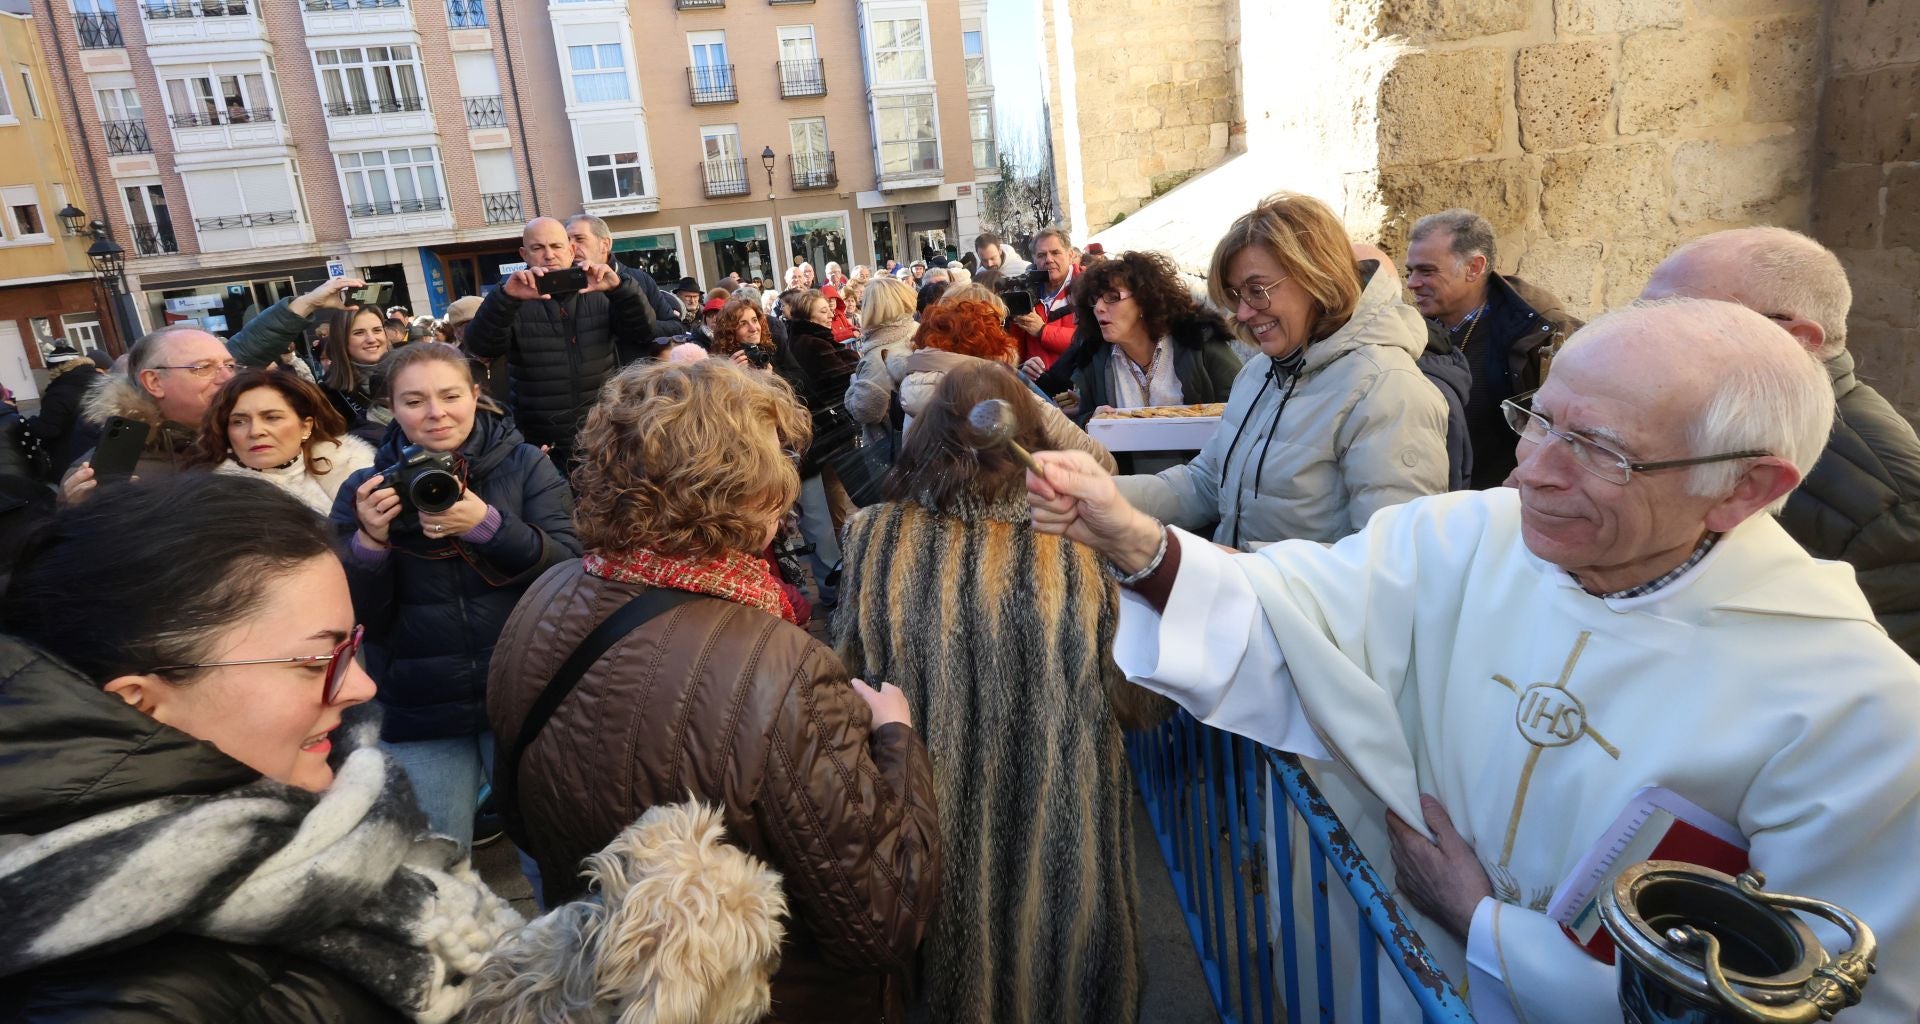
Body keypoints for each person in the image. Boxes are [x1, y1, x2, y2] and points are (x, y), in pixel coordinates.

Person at [1027, 297, 1920, 1024]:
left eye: (1599, 449)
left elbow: (1820, 997)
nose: (1533, 470)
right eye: (1537, 421)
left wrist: (1484, 927)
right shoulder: (1466, 535)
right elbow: (1296, 611)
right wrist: (1142, 546)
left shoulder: (1855, 711)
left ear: (1748, 487)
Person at [487, 358, 940, 1022]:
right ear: (745, 490)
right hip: (761, 1000)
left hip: (611, 988)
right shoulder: (783, 669)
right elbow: (883, 920)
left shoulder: (547, 596)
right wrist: (897, 740)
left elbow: (520, 815)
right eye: (775, 460)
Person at [0, 474, 521, 1022]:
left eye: (351, 648)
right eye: (314, 662)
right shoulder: (127, 1002)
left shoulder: (331, 801)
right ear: (140, 703)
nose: (362, 687)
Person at [836, 362, 1161, 1024]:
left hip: (929, 826)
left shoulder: (875, 535)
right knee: (1065, 981)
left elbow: (851, 683)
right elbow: (1135, 701)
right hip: (1061, 833)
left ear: (927, 435)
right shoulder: (1084, 538)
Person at [330, 343, 580, 847]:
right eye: (415, 400)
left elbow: (571, 570)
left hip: (519, 688)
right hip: (419, 703)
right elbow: (354, 617)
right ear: (392, 407)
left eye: (449, 395)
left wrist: (487, 525)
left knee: (549, 847)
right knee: (438, 855)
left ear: (475, 395)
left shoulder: (526, 465)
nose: (436, 412)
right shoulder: (365, 487)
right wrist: (369, 544)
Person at [1641, 228, 1920, 660]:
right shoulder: (1707, 413)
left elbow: (1873, 683)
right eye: (1643, 313)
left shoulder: (1889, 501)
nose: (1644, 336)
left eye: (1686, 319)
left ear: (1797, 338)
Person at [1112, 192, 1450, 549]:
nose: (1243, 313)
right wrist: (1098, 493)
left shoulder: (1388, 389)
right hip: (1246, 597)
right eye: (1237, 295)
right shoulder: (1260, 373)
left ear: (1316, 277)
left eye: (1257, 290)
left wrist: (1234, 566)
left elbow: (1390, 560)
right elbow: (1208, 483)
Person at [1405, 209, 1583, 489]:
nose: (1412, 283)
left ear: (1474, 267)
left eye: (1427, 271)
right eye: (1410, 271)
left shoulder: (1541, 334)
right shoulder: (1411, 330)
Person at [462, 216, 656, 468]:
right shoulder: (511, 293)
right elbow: (481, 347)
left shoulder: (600, 287)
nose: (549, 255)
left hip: (602, 430)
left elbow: (643, 333)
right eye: (538, 248)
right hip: (540, 439)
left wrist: (621, 290)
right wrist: (505, 299)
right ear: (524, 253)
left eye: (556, 246)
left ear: (571, 249)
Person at [890, 299, 1117, 472]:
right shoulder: (995, 388)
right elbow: (1097, 460)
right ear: (989, 345)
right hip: (1011, 516)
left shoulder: (915, 385)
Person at [1062, 249, 1243, 423]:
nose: (1099, 308)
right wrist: (1090, 421)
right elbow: (1084, 422)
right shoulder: (1095, 360)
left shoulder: (1198, 342)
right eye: (1094, 300)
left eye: (1113, 297)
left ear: (1143, 301)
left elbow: (1246, 407)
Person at [62, 325, 238, 503]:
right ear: (154, 382)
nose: (227, 378)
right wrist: (84, 513)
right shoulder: (96, 476)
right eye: (204, 367)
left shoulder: (251, 437)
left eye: (230, 366)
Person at [188, 368, 377, 515]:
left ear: (306, 427)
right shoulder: (218, 502)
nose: (255, 432)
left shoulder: (358, 470)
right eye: (239, 421)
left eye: (272, 417)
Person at [785, 289, 861, 597]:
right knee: (835, 502)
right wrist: (856, 362)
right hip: (826, 434)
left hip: (825, 433)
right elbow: (840, 378)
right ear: (807, 315)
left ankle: (842, 570)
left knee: (835, 501)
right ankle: (842, 574)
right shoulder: (813, 343)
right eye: (822, 310)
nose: (830, 314)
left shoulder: (812, 339)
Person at [565, 213, 684, 342]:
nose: (570, 246)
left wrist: (642, 325)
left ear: (605, 244)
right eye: (567, 240)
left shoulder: (639, 279)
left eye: (579, 239)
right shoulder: (562, 285)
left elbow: (677, 328)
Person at [844, 276, 919, 447]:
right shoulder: (917, 330)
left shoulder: (878, 356)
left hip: (891, 447)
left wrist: (854, 386)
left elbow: (867, 410)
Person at [25, 343, 101, 479]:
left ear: (56, 369)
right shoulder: (102, 380)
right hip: (103, 453)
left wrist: (29, 422)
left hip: (72, 461)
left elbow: (48, 430)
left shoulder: (58, 393)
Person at [1011, 227, 1080, 376]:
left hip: (1074, 387)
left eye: (1055, 252)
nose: (1048, 260)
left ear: (1070, 254)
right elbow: (1016, 349)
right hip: (1036, 387)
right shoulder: (1026, 290)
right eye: (1041, 255)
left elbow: (1090, 339)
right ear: (1034, 259)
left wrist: (1043, 331)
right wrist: (1022, 367)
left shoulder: (1088, 287)